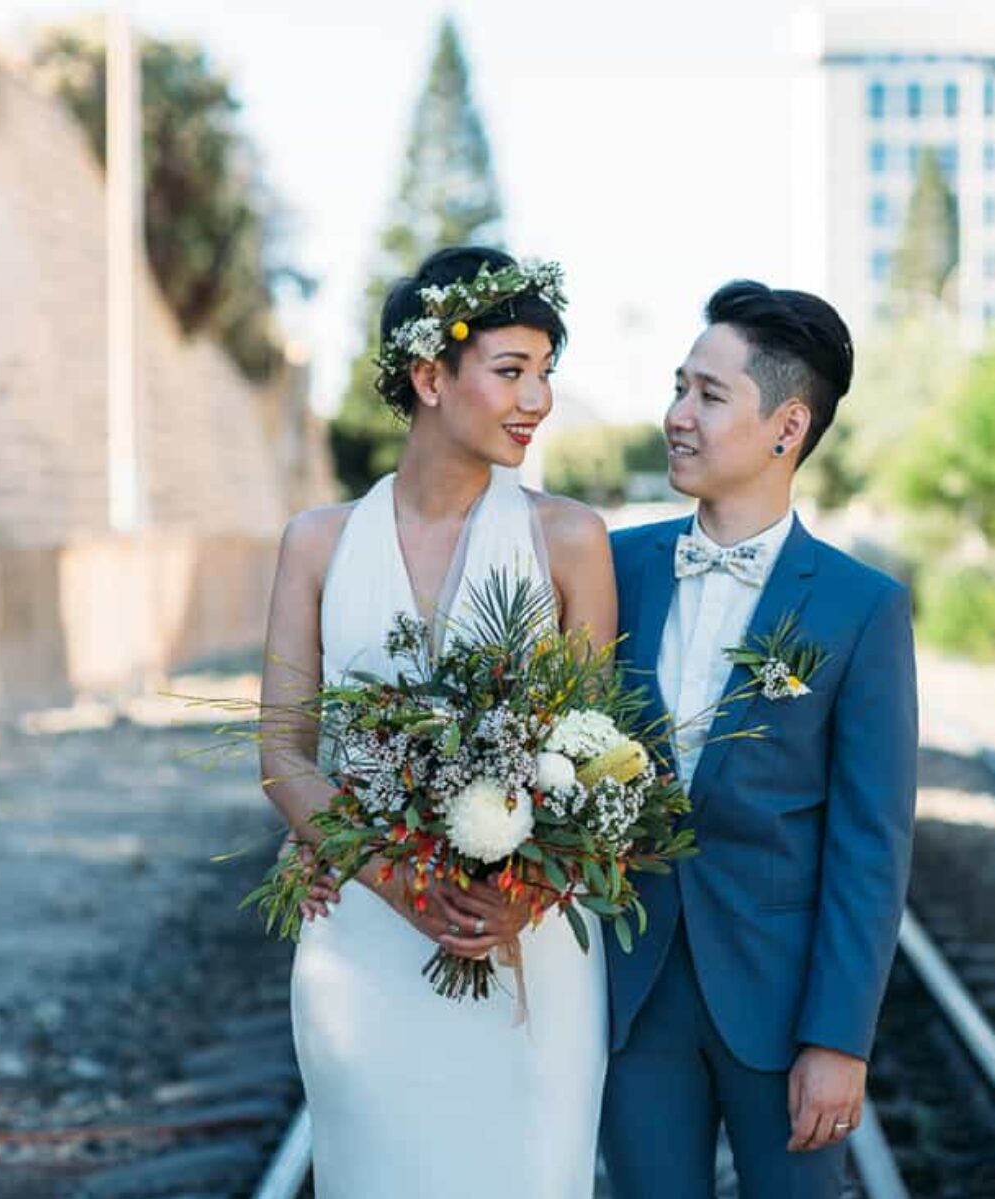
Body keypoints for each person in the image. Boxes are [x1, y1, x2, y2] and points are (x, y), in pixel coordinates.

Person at [257, 246, 616, 1198]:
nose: (537, 399)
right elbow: (284, 753)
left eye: (546, 372)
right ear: (428, 376)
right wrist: (395, 882)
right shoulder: (317, 543)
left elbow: (597, 762)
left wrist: (529, 896)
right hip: (364, 942)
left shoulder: (571, 540)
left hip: (524, 949)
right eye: (511, 371)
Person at [600, 280, 918, 1197]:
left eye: (709, 394)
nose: (676, 416)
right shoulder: (615, 569)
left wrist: (839, 1041)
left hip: (784, 1009)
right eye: (677, 387)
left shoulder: (862, 608)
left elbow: (871, 843)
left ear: (787, 427)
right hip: (636, 994)